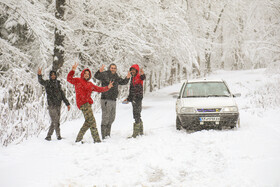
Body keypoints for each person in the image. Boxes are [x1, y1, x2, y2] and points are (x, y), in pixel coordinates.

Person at [67, 62, 113, 143]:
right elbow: (69, 79)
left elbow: (99, 89)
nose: (87, 75)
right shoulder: (78, 80)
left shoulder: (90, 84)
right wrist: (72, 70)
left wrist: (108, 87)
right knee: (92, 122)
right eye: (85, 73)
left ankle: (78, 139)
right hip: (83, 104)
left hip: (88, 104)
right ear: (82, 74)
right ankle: (97, 140)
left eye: (88, 74)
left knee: (88, 122)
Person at [94, 64, 131, 139]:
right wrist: (99, 71)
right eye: (111, 68)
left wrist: (127, 78)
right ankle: (104, 136)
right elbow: (96, 76)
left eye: (114, 68)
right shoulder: (105, 74)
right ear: (109, 68)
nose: (113, 69)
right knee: (105, 117)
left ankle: (108, 135)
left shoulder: (116, 76)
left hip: (113, 99)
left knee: (112, 117)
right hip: (105, 99)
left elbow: (123, 82)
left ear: (116, 69)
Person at [38, 68, 71, 141]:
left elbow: (62, 95)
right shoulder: (47, 83)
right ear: (50, 76)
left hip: (58, 104)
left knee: (55, 121)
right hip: (51, 105)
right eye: (51, 75)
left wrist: (67, 104)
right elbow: (41, 81)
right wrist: (39, 75)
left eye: (54, 75)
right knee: (56, 121)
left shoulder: (58, 84)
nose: (53, 76)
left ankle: (48, 136)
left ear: (56, 76)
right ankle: (58, 136)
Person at [124, 64, 146, 138]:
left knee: (136, 114)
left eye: (134, 70)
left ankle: (136, 133)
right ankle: (140, 131)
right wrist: (129, 98)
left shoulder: (139, 76)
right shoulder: (132, 78)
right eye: (131, 70)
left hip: (138, 98)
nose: (132, 71)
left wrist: (142, 74)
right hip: (134, 99)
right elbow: (131, 90)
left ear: (136, 70)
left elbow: (143, 78)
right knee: (137, 114)